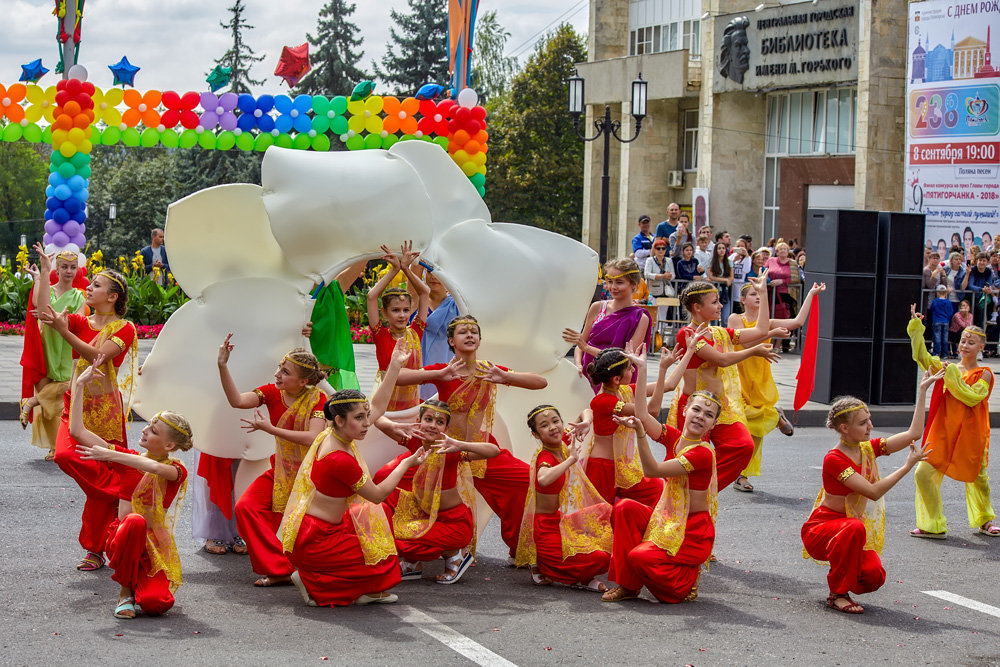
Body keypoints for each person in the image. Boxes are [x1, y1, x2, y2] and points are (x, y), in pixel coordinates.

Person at [395, 315, 547, 562]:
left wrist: (505, 376)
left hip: (480, 451)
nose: (469, 335)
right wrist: (442, 374)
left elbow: (541, 382)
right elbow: (398, 378)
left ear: (479, 340)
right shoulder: (444, 370)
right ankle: (422, 551)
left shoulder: (489, 370)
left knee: (527, 481)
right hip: (444, 451)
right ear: (451, 341)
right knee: (410, 494)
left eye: (474, 332)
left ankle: (518, 546)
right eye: (463, 332)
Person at [33, 256, 137, 573]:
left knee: (96, 478)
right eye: (90, 284)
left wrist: (65, 331)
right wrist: (44, 276)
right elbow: (45, 312)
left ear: (113, 296)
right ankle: (125, 490)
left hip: (106, 413)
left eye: (96, 285)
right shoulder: (83, 322)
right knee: (66, 455)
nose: (88, 288)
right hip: (75, 403)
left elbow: (97, 359)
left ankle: (95, 549)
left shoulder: (125, 328)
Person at [801, 378, 938, 614]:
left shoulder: (867, 448)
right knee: (855, 528)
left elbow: (914, 433)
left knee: (873, 575)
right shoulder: (834, 459)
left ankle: (843, 572)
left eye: (869, 420)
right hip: (822, 529)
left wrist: (923, 390)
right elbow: (873, 492)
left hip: (848, 529)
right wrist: (906, 467)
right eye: (863, 423)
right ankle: (837, 594)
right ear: (844, 428)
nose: (870, 426)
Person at [279, 389, 427, 607]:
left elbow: (378, 406)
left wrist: (395, 364)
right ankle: (312, 580)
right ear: (339, 420)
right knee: (382, 557)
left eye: (366, 416)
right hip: (316, 540)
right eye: (360, 418)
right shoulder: (340, 460)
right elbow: (377, 495)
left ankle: (340, 582)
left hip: (312, 529)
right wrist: (406, 463)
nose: (367, 423)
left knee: (380, 522)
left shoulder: (330, 434)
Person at [70, 365, 192, 619]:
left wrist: (112, 454)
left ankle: (141, 588)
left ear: (169, 445)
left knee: (157, 604)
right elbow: (77, 432)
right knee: (134, 521)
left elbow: (153, 467)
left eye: (154, 431)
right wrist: (79, 386)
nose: (145, 430)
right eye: (149, 425)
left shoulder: (176, 471)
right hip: (122, 538)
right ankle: (125, 592)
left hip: (152, 549)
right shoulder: (125, 458)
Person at [601, 379, 723, 604]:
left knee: (639, 557)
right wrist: (650, 367)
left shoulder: (702, 454)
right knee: (624, 507)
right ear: (685, 410)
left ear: (713, 424)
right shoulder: (676, 438)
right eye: (696, 409)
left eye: (708, 415)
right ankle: (628, 586)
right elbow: (644, 415)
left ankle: (684, 582)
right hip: (668, 518)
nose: (699, 416)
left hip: (692, 531)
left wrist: (639, 434)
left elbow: (652, 469)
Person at [219, 336, 327, 587]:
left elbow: (312, 438)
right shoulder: (270, 392)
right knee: (246, 508)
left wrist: (270, 430)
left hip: (312, 472)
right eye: (279, 367)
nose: (277, 374)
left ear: (304, 381)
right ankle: (279, 568)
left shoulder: (317, 399)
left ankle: (321, 568)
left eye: (285, 372)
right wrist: (222, 366)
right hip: (281, 470)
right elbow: (237, 401)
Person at [667, 278, 779, 490]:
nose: (720, 306)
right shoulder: (688, 334)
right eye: (715, 302)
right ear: (697, 307)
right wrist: (754, 350)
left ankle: (706, 488)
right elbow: (723, 360)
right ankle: (684, 494)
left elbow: (761, 330)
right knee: (687, 460)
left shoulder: (718, 333)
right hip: (695, 407)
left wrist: (763, 294)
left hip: (719, 408)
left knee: (743, 446)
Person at [907, 308, 999, 539]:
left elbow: (972, 396)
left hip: (971, 433)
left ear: (981, 348)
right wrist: (917, 329)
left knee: (978, 479)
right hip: (943, 430)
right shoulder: (948, 368)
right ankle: (932, 524)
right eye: (963, 340)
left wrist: (951, 375)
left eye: (971, 342)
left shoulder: (984, 373)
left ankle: (985, 521)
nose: (965, 345)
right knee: (923, 474)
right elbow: (923, 358)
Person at [728, 282, 826, 492]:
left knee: (756, 432)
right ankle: (776, 416)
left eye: (759, 294)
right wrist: (772, 333)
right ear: (743, 300)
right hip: (739, 376)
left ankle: (742, 476)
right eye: (752, 294)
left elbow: (798, 321)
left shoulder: (769, 321)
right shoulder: (736, 319)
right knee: (742, 423)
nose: (757, 297)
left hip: (760, 378)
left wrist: (811, 293)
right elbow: (746, 344)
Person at [393, 399, 500, 584]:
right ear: (419, 421)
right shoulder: (414, 444)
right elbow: (378, 421)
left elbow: (493, 451)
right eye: (428, 419)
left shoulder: (450, 450)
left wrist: (461, 445)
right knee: (389, 525)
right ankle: (413, 563)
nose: (433, 425)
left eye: (440, 422)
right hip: (428, 519)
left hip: (455, 524)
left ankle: (455, 554)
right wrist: (399, 424)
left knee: (399, 535)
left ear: (446, 429)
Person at [515, 404, 611, 592]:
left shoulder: (562, 439)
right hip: (545, 529)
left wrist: (585, 422)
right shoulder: (546, 456)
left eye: (555, 421)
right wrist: (570, 460)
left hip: (562, 520)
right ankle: (548, 566)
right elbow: (543, 479)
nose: (552, 427)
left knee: (608, 512)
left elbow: (588, 410)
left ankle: (582, 575)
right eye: (544, 425)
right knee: (601, 558)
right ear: (536, 434)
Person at [19, 248, 88, 460]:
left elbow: (74, 322)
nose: (68, 271)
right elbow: (40, 309)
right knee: (51, 404)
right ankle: (54, 446)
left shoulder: (79, 296)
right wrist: (42, 272)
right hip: (46, 345)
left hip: (66, 346)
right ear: (57, 269)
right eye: (64, 267)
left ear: (77, 270)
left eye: (73, 267)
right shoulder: (47, 288)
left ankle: (31, 402)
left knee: (65, 393)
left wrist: (54, 318)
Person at [584, 347, 670, 507]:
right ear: (616, 379)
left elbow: (669, 385)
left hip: (621, 468)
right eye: (630, 367)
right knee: (599, 519)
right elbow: (648, 411)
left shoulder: (623, 390)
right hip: (603, 468)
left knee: (656, 488)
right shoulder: (604, 401)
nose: (633, 369)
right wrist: (643, 368)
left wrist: (667, 366)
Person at [562, 258, 652, 393]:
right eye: (610, 281)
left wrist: (587, 348)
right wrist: (578, 364)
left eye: (619, 282)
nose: (613, 287)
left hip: (616, 380)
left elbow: (626, 358)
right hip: (589, 373)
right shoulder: (597, 307)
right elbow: (581, 344)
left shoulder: (640, 318)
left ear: (633, 284)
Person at [367, 241, 430, 411]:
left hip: (412, 407)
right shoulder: (381, 335)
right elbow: (372, 297)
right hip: (385, 409)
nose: (402, 315)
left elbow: (425, 293)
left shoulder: (416, 331)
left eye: (406, 310)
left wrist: (406, 269)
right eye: (395, 310)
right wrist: (394, 270)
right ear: (384, 312)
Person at [643, 239, 674, 325]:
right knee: (653, 315)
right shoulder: (650, 260)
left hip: (665, 291)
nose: (661, 250)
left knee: (663, 316)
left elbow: (673, 275)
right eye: (658, 248)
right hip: (653, 291)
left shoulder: (669, 260)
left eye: (663, 248)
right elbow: (647, 274)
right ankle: (653, 335)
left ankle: (660, 335)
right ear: (654, 249)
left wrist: (669, 276)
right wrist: (662, 276)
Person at [764, 242, 797, 322]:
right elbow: (764, 272)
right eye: (780, 249)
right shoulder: (771, 260)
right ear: (777, 252)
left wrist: (782, 281)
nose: (783, 251)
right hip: (770, 291)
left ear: (788, 251)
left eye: (785, 249)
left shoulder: (792, 263)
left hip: (786, 293)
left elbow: (796, 278)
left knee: (785, 314)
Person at [706, 242, 733, 323]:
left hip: (725, 291)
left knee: (725, 317)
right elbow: (711, 276)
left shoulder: (729, 261)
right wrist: (725, 280)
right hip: (715, 290)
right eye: (719, 248)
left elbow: (731, 277)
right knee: (713, 317)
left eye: (723, 248)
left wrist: (728, 280)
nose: (721, 250)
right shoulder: (712, 261)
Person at [926, 285, 953, 358]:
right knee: (945, 338)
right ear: (946, 293)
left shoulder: (935, 301)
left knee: (937, 337)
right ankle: (944, 353)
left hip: (936, 320)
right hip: (945, 321)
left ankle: (937, 352)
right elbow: (950, 312)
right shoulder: (948, 302)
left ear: (937, 293)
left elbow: (931, 309)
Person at [729, 239, 752, 315]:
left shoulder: (748, 258)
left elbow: (746, 270)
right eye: (738, 246)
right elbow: (726, 267)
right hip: (731, 287)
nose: (740, 248)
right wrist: (734, 260)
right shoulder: (732, 257)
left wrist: (746, 256)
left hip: (740, 287)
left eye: (742, 246)